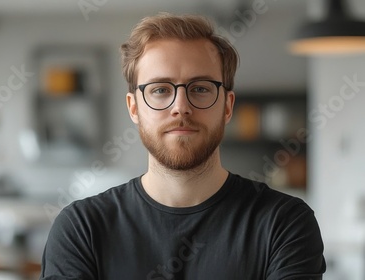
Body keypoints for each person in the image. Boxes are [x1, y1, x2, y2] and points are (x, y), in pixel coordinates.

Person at [40, 13, 326, 279]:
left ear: (227, 106)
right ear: (134, 108)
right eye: (160, 90)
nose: (181, 107)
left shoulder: (284, 224)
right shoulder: (82, 229)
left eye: (200, 88)